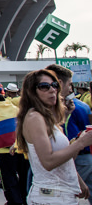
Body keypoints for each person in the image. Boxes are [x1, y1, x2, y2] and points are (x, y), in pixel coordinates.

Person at [17, 68, 92, 204]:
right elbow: (48, 162)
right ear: (32, 92)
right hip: (50, 196)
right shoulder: (35, 117)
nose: (52, 90)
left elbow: (64, 159)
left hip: (60, 194)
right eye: (44, 87)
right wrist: (80, 143)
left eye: (55, 85)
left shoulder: (47, 119)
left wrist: (77, 180)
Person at [46, 63, 92, 204]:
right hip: (74, 159)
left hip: (77, 158)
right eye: (70, 84)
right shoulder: (39, 115)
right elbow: (50, 159)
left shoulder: (71, 108)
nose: (71, 88)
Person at [0, 93, 27, 205]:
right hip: (20, 148)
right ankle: (24, 199)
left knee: (8, 177)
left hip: (3, 151)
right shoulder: (15, 108)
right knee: (24, 176)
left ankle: (14, 201)